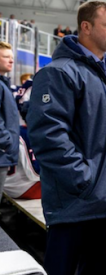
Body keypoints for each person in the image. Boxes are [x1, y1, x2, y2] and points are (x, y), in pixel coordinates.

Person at [26, 2, 106, 274]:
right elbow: (48, 135)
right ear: (85, 27)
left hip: (103, 199)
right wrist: (84, 179)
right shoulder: (59, 72)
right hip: (74, 202)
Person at [4, 80, 40, 199]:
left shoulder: (17, 130)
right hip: (21, 185)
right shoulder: (27, 135)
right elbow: (34, 173)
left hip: (11, 182)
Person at [0, 41, 19, 202]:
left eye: (12, 57)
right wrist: (6, 143)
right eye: (6, 56)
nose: (11, 60)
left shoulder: (3, 84)